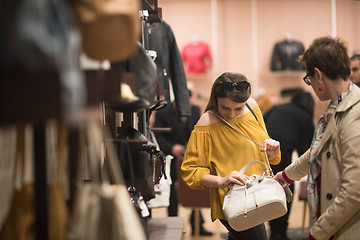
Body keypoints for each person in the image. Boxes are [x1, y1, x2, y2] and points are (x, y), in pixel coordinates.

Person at [274, 36, 360, 240]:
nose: (310, 84)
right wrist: (285, 176)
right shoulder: (336, 107)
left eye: (308, 78)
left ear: (318, 75)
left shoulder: (353, 114)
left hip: (345, 227)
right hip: (333, 221)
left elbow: (355, 189)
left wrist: (318, 233)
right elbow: (317, 151)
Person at [181, 72, 281, 240]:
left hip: (258, 193)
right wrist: (221, 180)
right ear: (215, 100)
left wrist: (273, 151)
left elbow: (264, 147)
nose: (231, 114)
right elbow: (190, 170)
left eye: (237, 108)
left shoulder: (252, 107)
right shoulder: (207, 122)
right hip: (234, 201)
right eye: (225, 108)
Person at [153, 90, 213, 236]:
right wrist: (172, 148)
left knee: (195, 188)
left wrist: (190, 148)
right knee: (173, 191)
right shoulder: (163, 112)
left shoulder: (194, 110)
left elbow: (198, 131)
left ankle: (197, 224)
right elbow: (157, 135)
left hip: (191, 156)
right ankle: (172, 226)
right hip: (171, 158)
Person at [264, 89, 315, 240]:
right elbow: (309, 151)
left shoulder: (277, 107)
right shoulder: (304, 116)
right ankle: (279, 233)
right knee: (286, 190)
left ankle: (269, 231)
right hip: (281, 153)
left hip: (262, 151)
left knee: (264, 193)